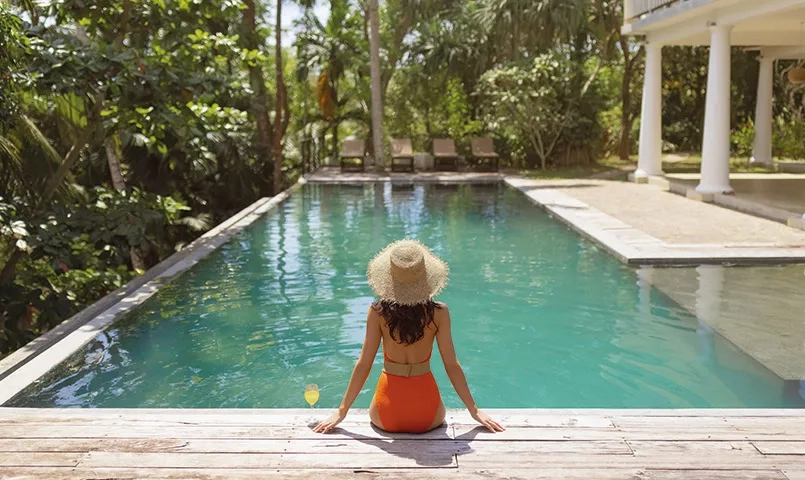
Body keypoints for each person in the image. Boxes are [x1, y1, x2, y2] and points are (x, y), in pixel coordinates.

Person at [314, 239, 504, 434]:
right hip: (427, 416)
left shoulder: (378, 312)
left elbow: (364, 364)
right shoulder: (439, 313)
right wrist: (474, 410)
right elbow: (452, 365)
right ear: (425, 275)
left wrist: (341, 411)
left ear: (389, 276)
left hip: (385, 415)